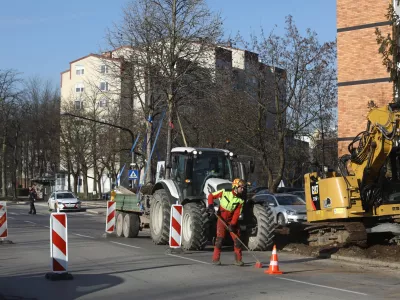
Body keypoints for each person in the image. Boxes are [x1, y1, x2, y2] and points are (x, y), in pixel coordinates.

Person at [207, 178, 246, 266]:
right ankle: (215, 259)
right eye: (241, 188)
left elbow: (237, 213)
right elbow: (211, 196)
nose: (242, 190)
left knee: (237, 240)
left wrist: (232, 224)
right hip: (221, 218)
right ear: (235, 187)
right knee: (220, 239)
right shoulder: (225, 192)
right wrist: (210, 206)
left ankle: (238, 260)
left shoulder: (241, 200)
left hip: (231, 220)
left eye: (243, 188)